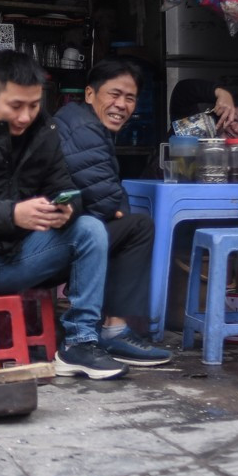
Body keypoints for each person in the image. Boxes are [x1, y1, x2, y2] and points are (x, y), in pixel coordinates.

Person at [0, 50, 126, 379]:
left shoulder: (44, 132)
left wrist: (66, 210)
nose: (26, 116)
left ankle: (81, 343)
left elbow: (66, 189)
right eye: (16, 106)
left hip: (19, 259)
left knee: (89, 228)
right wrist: (12, 214)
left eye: (33, 105)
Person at [54, 58, 172, 367]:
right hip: (47, 244)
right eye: (114, 94)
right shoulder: (83, 128)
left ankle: (110, 324)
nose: (121, 105)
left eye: (130, 98)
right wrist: (115, 207)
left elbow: (105, 194)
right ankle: (115, 330)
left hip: (50, 236)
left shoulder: (79, 120)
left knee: (126, 224)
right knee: (139, 228)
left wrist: (115, 205)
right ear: (90, 94)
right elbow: (106, 200)